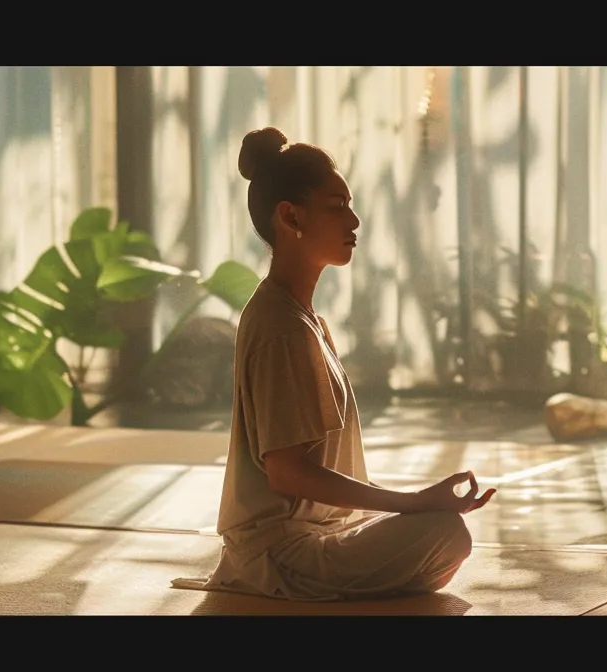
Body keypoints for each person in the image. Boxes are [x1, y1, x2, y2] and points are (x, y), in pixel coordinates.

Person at [172, 127, 495, 602]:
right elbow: (286, 473)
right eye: (336, 207)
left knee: (441, 532)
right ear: (290, 216)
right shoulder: (283, 325)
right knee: (445, 534)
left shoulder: (303, 320)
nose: (355, 221)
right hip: (283, 555)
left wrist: (411, 507)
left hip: (315, 537)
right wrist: (412, 503)